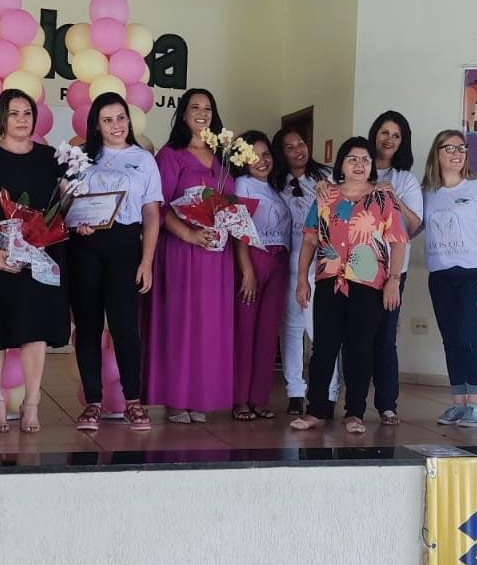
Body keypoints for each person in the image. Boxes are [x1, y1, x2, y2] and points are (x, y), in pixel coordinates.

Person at [0, 89, 71, 433]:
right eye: (14, 113)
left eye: (27, 113)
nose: (22, 119)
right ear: (1, 120)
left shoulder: (52, 157)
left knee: (34, 328)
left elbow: (61, 206)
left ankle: (31, 403)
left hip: (39, 257)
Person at [142, 89, 255, 423]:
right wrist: (190, 233)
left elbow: (232, 206)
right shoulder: (171, 155)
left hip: (215, 255)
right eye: (195, 107)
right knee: (180, 323)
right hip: (181, 250)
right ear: (183, 114)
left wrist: (239, 250)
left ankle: (199, 397)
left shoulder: (224, 159)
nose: (202, 113)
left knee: (208, 326)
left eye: (208, 108)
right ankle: (176, 399)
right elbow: (157, 207)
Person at [290, 137, 408, 434]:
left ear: (371, 166)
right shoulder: (325, 196)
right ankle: (316, 409)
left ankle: (354, 412)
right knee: (324, 347)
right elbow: (308, 239)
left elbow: (399, 243)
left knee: (360, 348)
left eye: (365, 160)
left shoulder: (384, 199)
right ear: (341, 163)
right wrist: (301, 279)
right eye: (352, 159)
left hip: (369, 283)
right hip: (329, 280)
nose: (359, 164)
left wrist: (393, 281)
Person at [70, 92, 162, 432]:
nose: (116, 126)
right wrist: (74, 221)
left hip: (126, 246)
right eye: (107, 120)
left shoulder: (144, 159)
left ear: (129, 120)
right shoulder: (79, 157)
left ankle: (133, 402)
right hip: (85, 246)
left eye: (121, 118)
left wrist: (147, 261)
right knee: (88, 327)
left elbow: (152, 213)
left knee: (125, 327)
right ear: (96, 124)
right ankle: (92, 402)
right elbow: (64, 203)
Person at [421, 130, 477, 427]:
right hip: (442, 277)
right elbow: (410, 227)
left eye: (462, 148)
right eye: (450, 148)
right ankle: (459, 402)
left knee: (468, 338)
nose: (457, 153)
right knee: (450, 341)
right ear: (437, 153)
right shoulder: (427, 192)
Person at [270, 128, 340, 415]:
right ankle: (295, 392)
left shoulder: (327, 176)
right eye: (289, 147)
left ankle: (329, 392)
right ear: (281, 154)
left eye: (300, 143)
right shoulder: (275, 182)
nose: (298, 149)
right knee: (291, 329)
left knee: (321, 330)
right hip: (288, 262)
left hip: (321, 262)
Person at [364, 111, 422, 425]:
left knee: (385, 337)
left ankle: (387, 404)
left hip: (392, 270)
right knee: (356, 335)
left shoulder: (406, 179)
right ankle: (352, 405)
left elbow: (414, 227)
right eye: (384, 132)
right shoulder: (358, 166)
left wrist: (394, 199)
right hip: (357, 267)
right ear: (375, 134)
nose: (389, 139)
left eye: (396, 135)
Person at [232, 130, 291, 421]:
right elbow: (239, 230)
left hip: (279, 262)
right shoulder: (242, 184)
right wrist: (247, 271)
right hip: (253, 260)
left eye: (266, 153)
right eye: (254, 154)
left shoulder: (278, 188)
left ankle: (259, 397)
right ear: (242, 158)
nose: (261, 159)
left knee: (268, 334)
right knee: (246, 332)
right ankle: (240, 399)